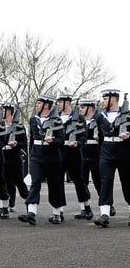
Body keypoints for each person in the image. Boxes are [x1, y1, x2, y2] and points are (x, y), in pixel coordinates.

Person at [18, 94, 65, 225]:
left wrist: (54, 140)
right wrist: (32, 154)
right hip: (37, 155)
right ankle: (31, 212)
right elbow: (32, 138)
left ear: (46, 105)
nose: (37, 105)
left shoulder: (56, 120)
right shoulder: (34, 119)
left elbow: (62, 140)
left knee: (54, 185)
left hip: (52, 156)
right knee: (35, 182)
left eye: (39, 103)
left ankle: (57, 213)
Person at [94, 89, 130, 227]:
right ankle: (104, 214)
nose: (103, 102)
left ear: (113, 100)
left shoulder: (127, 115)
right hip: (106, 151)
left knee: (127, 182)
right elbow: (101, 137)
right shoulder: (100, 116)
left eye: (105, 99)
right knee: (105, 181)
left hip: (124, 151)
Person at [56, 93, 93, 221]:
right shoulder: (56, 117)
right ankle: (58, 211)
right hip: (59, 152)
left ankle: (86, 208)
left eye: (60, 102)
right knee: (58, 180)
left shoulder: (78, 118)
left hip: (74, 153)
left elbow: (83, 136)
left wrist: (78, 143)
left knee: (79, 180)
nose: (58, 104)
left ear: (67, 102)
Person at [0, 102, 29, 211]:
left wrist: (16, 144)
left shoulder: (19, 127)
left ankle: (29, 203)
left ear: (9, 112)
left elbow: (23, 143)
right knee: (7, 182)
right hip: (3, 155)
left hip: (14, 156)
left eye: (4, 111)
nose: (2, 113)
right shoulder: (0, 126)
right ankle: (9, 205)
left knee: (19, 181)